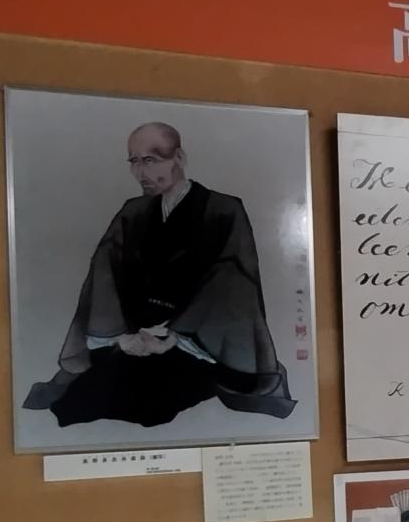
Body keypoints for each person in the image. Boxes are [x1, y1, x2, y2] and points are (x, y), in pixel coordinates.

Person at [23, 122, 294, 427]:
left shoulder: (223, 209)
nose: (141, 173)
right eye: (134, 162)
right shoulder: (133, 211)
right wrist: (121, 336)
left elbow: (232, 282)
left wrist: (173, 337)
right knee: (76, 404)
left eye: (151, 161)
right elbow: (104, 271)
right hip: (134, 336)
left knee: (152, 407)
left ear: (179, 157)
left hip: (195, 342)